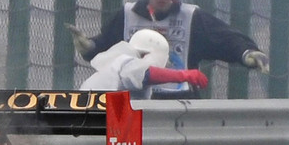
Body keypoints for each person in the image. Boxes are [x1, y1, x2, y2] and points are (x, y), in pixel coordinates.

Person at [68, 0, 269, 99]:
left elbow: (225, 39)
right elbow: (106, 48)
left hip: (180, 101)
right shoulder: (127, 15)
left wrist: (247, 52)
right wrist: (90, 47)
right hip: (136, 102)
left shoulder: (191, 18)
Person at [79, 29, 209, 98]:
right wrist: (183, 75)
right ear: (145, 55)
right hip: (99, 127)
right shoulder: (127, 63)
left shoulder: (113, 67)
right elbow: (143, 73)